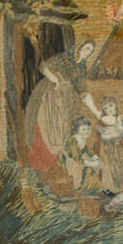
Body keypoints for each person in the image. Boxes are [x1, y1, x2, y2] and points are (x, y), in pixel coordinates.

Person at [24, 40, 99, 172]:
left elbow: (83, 91)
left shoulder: (81, 67)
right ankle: (41, 167)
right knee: (48, 127)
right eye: (87, 48)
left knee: (64, 131)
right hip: (51, 98)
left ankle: (57, 167)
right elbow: (44, 67)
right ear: (80, 47)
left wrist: (96, 112)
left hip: (67, 101)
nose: (88, 53)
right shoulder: (66, 57)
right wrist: (56, 80)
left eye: (91, 51)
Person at [94, 97, 123, 206]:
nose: (108, 109)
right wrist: (115, 134)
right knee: (108, 167)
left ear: (115, 105)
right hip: (106, 148)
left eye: (110, 105)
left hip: (117, 147)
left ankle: (119, 186)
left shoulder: (119, 119)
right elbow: (103, 136)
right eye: (105, 107)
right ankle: (108, 187)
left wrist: (119, 133)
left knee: (118, 165)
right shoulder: (103, 120)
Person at [59, 116, 104, 196]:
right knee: (89, 168)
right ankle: (81, 188)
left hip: (80, 160)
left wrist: (96, 158)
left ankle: (90, 188)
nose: (87, 132)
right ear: (77, 129)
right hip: (71, 162)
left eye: (88, 129)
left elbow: (88, 151)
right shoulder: (73, 140)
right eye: (84, 129)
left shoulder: (83, 139)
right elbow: (76, 157)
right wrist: (91, 163)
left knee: (94, 167)